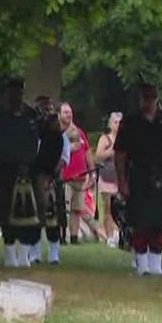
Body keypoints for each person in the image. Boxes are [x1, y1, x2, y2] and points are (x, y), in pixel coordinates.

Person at [114, 82, 162, 276]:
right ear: (139, 99)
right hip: (138, 175)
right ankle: (141, 263)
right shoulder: (130, 122)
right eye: (144, 98)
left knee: (159, 222)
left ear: (157, 99)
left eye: (151, 98)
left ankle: (156, 263)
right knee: (140, 223)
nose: (147, 102)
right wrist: (122, 181)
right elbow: (120, 154)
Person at [0, 80, 42, 267]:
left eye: (18, 94)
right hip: (5, 166)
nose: (16, 98)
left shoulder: (30, 114)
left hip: (28, 168)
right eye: (12, 94)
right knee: (4, 211)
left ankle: (24, 254)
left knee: (29, 212)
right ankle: (9, 253)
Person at [33, 96, 68, 263]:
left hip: (51, 177)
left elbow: (63, 157)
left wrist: (50, 175)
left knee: (52, 216)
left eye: (48, 108)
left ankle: (54, 253)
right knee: (33, 215)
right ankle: (34, 252)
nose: (45, 111)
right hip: (34, 176)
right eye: (42, 108)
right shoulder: (34, 131)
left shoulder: (59, 136)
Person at [59, 102, 95, 244]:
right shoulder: (59, 133)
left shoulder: (79, 132)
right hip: (65, 178)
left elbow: (87, 152)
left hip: (80, 177)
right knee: (64, 208)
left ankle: (74, 237)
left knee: (76, 209)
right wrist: (68, 146)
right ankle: (61, 237)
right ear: (59, 115)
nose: (69, 114)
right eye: (66, 112)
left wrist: (91, 172)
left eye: (70, 112)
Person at [95, 112, 123, 245]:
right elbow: (98, 156)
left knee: (122, 208)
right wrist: (110, 151)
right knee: (108, 208)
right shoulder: (105, 139)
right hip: (107, 178)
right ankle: (110, 236)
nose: (118, 125)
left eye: (120, 122)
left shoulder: (126, 139)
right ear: (110, 124)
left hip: (121, 179)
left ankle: (123, 234)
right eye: (115, 122)